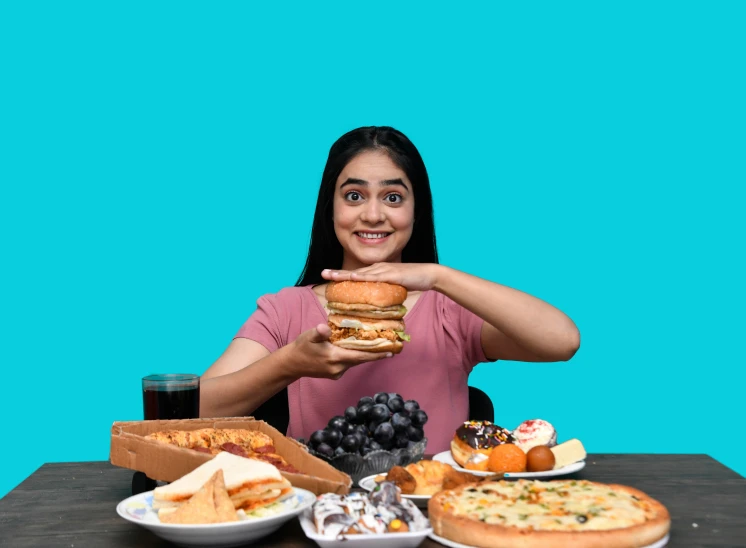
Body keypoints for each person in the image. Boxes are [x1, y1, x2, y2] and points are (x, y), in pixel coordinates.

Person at [200, 126, 580, 453]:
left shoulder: (448, 308)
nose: (373, 215)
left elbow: (562, 341)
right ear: (329, 209)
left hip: (432, 513)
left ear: (417, 211)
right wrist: (290, 364)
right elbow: (189, 410)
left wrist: (437, 276)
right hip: (318, 513)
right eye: (354, 196)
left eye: (393, 197)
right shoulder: (287, 310)